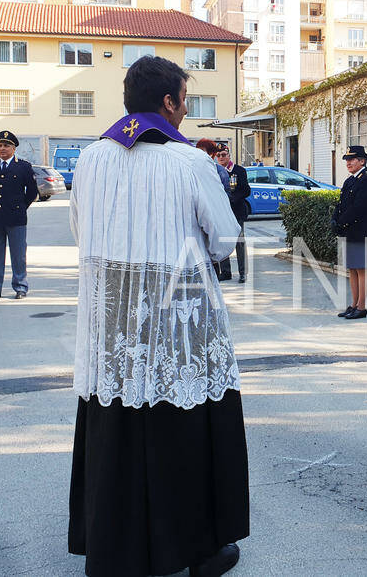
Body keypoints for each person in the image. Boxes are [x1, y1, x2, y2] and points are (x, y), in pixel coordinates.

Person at [67, 55, 248, 577]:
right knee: (184, 433)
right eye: (185, 101)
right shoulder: (189, 162)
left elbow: (82, 234)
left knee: (117, 431)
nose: (186, 112)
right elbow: (224, 239)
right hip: (178, 327)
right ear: (169, 103)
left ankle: (112, 550)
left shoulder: (91, 159)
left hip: (114, 326)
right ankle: (199, 551)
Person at [0, 130, 37, 301]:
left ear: (14, 148)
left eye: (6, 146)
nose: (2, 149)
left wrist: (20, 207)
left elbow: (32, 191)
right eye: (0, 145)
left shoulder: (23, 167)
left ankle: (20, 287)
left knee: (18, 255)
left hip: (16, 219)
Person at [332, 145, 367, 320]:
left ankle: (362, 307)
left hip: (362, 231)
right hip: (350, 231)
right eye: (347, 160)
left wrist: (341, 222)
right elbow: (342, 203)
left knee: (362, 270)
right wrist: (335, 219)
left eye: (352, 160)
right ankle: (354, 304)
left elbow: (360, 207)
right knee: (352, 269)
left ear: (362, 161)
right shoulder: (350, 180)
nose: (348, 163)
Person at [196, 138, 234, 281]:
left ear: (211, 154)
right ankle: (215, 273)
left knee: (219, 241)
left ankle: (224, 271)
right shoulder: (197, 167)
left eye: (202, 151)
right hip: (203, 213)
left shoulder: (219, 171)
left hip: (217, 212)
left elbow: (225, 193)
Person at [216, 145, 251, 283]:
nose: (221, 158)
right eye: (218, 155)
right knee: (222, 242)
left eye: (223, 155)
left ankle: (243, 273)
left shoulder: (238, 171)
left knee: (239, 242)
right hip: (221, 212)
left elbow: (246, 190)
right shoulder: (214, 171)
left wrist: (232, 198)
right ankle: (225, 272)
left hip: (236, 211)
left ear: (229, 155)